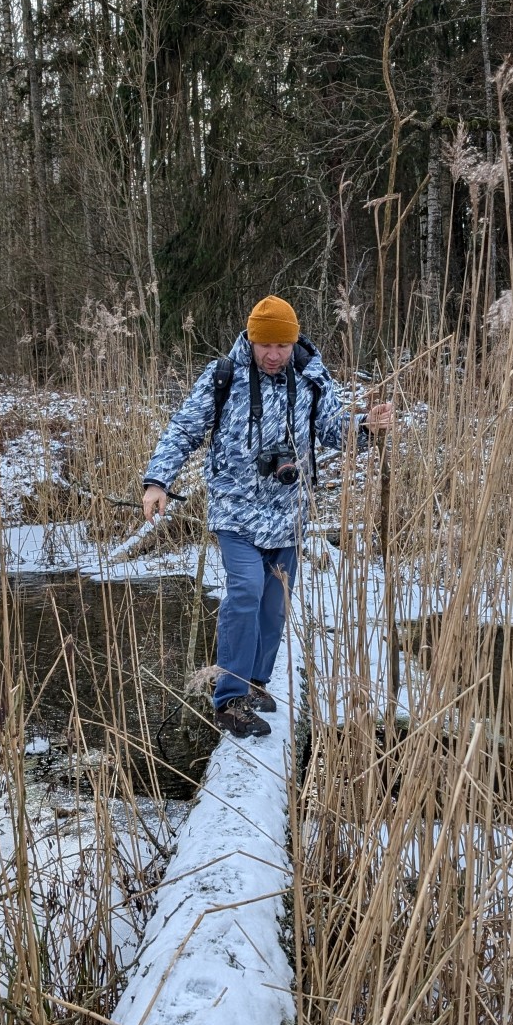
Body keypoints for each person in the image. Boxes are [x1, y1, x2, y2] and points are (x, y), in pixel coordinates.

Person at [142, 295, 393, 738]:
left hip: (288, 512)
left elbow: (334, 430)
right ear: (251, 339)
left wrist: (368, 426)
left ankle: (255, 682)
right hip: (234, 509)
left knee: (275, 604)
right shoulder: (225, 375)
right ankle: (229, 698)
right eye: (265, 345)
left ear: (293, 340)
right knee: (245, 591)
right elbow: (183, 428)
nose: (273, 355)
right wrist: (157, 481)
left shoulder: (312, 376)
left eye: (282, 345)